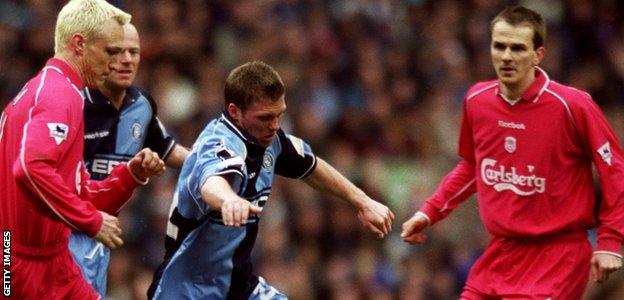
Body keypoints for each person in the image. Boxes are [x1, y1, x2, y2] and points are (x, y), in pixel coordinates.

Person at [400, 5, 624, 299]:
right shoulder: (477, 101)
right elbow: (472, 168)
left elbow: (615, 170)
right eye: (499, 46)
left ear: (538, 55)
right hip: (500, 254)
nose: (506, 56)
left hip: (557, 257)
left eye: (517, 48)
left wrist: (610, 242)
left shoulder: (573, 106)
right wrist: (430, 212)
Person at [147, 61, 395, 299]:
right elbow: (211, 182)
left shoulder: (270, 140)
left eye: (279, 115)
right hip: (185, 288)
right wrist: (229, 201)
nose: (275, 125)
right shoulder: (217, 144)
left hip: (236, 285)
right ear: (235, 112)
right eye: (265, 117)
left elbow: (311, 166)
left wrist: (361, 200)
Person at [0, 0, 165, 299]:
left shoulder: (55, 91)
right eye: (110, 51)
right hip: (18, 262)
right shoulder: (58, 95)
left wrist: (130, 175)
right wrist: (91, 221)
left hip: (48, 259)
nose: (117, 63)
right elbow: (29, 167)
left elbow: (78, 193)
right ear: (79, 44)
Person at [68, 23, 189, 297]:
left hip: (101, 236)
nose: (126, 59)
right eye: (116, 51)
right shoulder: (72, 102)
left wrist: (214, 164)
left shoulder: (141, 105)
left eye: (133, 52)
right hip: (61, 232)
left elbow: (167, 150)